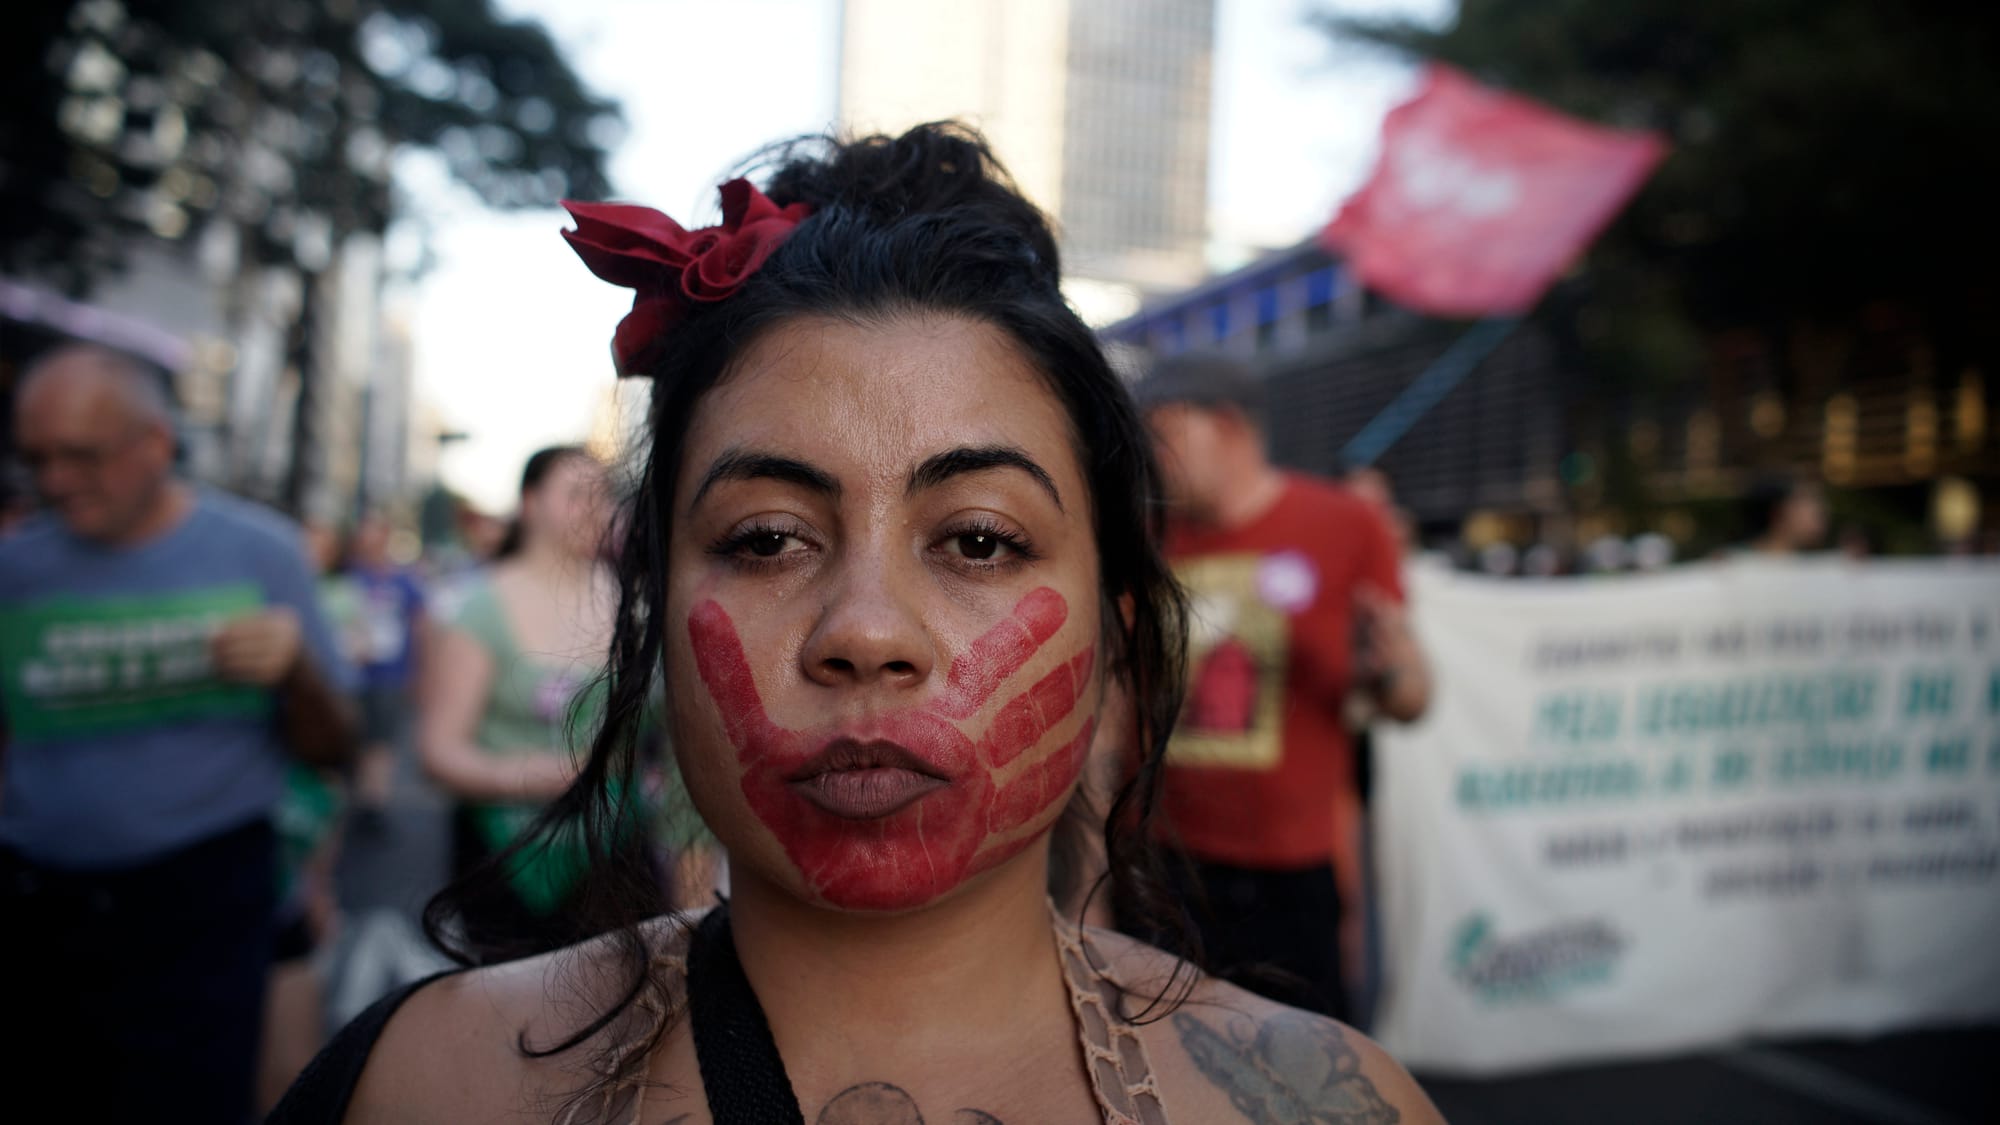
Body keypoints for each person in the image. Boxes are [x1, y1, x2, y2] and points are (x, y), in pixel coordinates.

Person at [269, 123, 1443, 1123]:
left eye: (977, 540)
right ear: (655, 615)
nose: (866, 631)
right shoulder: (420, 1086)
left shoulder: (1330, 1104)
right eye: (765, 539)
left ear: (1115, 637)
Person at [0, 344, 357, 1123]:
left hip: (203, 901)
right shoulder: (15, 568)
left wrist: (295, 670)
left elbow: (338, 748)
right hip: (38, 897)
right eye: (36, 458)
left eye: (82, 455)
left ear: (157, 443)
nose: (55, 480)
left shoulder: (260, 552)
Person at [1132, 351, 1432, 1023]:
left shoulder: (1344, 525)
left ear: (1228, 427)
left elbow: (1411, 697)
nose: (1151, 456)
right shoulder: (1146, 538)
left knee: (1302, 1058)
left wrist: (1389, 672)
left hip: (1289, 870)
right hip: (1161, 859)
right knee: (1166, 1056)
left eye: (1164, 433)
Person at [416, 445, 623, 956]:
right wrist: (528, 774)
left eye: (602, 495)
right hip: (506, 854)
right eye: (576, 495)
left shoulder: (628, 598)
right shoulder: (481, 607)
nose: (594, 508)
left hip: (612, 849)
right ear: (530, 504)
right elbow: (438, 750)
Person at [342, 512, 427, 822]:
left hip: (390, 676)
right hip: (350, 675)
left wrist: (418, 671)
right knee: (353, 737)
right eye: (366, 535)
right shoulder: (348, 577)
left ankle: (374, 799)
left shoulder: (403, 581)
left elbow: (420, 624)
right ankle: (353, 795)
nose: (372, 542)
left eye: (377, 534)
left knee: (382, 739)